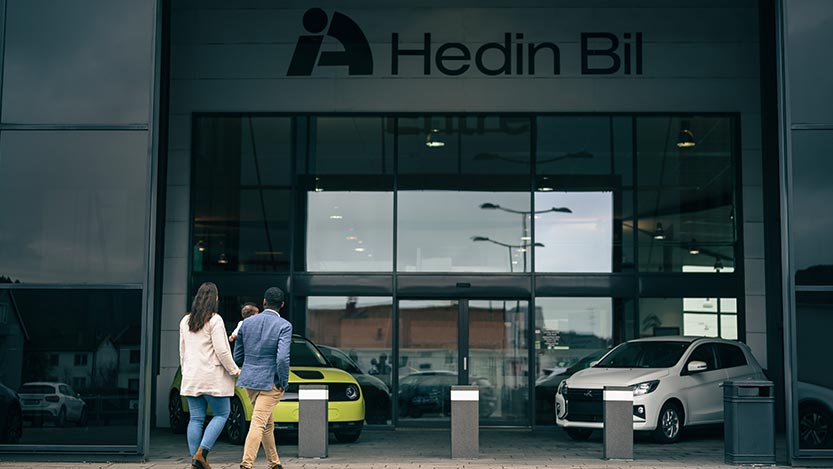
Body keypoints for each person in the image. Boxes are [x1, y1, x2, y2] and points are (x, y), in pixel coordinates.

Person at [179, 282, 240, 469]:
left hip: (191, 376)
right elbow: (222, 351)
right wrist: (235, 370)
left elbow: (182, 351)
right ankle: (202, 453)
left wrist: (185, 372)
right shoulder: (215, 320)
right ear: (214, 299)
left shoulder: (185, 320)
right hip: (212, 377)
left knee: (196, 418)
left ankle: (195, 461)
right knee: (222, 413)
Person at [234, 287, 292, 469]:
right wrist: (283, 381)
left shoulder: (247, 324)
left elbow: (237, 357)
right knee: (259, 422)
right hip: (271, 382)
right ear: (282, 305)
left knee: (266, 423)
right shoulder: (284, 325)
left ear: (264, 301)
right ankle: (247, 464)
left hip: (250, 381)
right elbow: (282, 358)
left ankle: (274, 463)